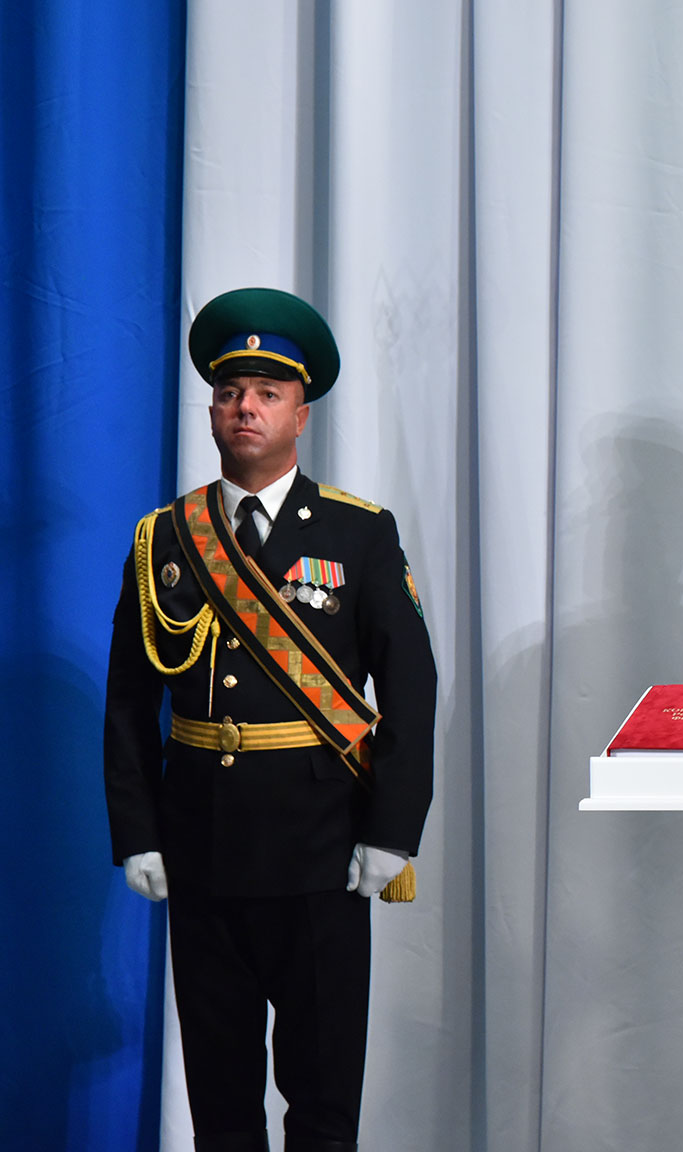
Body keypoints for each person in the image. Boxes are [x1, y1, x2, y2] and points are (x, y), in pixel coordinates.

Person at [103, 287, 437, 1152]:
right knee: (219, 1103)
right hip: (201, 845)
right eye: (228, 392)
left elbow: (411, 688)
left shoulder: (359, 534)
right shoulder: (165, 540)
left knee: (322, 1101)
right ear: (213, 410)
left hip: (321, 849)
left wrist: (392, 832)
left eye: (266, 393)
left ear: (301, 414)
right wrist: (137, 832)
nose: (244, 407)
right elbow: (129, 701)